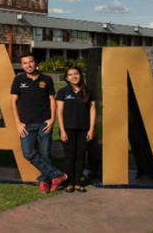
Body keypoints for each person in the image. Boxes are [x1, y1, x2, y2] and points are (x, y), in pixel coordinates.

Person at [11, 53, 67, 194]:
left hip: (44, 123)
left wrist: (52, 119)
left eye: (30, 62)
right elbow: (13, 102)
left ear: (36, 63)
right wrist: (18, 123)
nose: (28, 65)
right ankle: (58, 175)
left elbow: (52, 100)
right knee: (28, 153)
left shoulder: (46, 79)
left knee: (45, 154)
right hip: (26, 125)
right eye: (24, 63)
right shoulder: (18, 80)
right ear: (22, 65)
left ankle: (44, 181)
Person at [55, 67, 96, 193]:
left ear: (80, 75)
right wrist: (62, 130)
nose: (74, 76)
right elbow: (60, 111)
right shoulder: (63, 92)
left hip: (84, 129)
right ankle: (69, 182)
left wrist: (91, 129)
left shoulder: (88, 91)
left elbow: (92, 110)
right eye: (70, 75)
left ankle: (78, 182)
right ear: (67, 78)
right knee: (69, 156)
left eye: (76, 74)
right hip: (68, 129)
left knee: (80, 156)